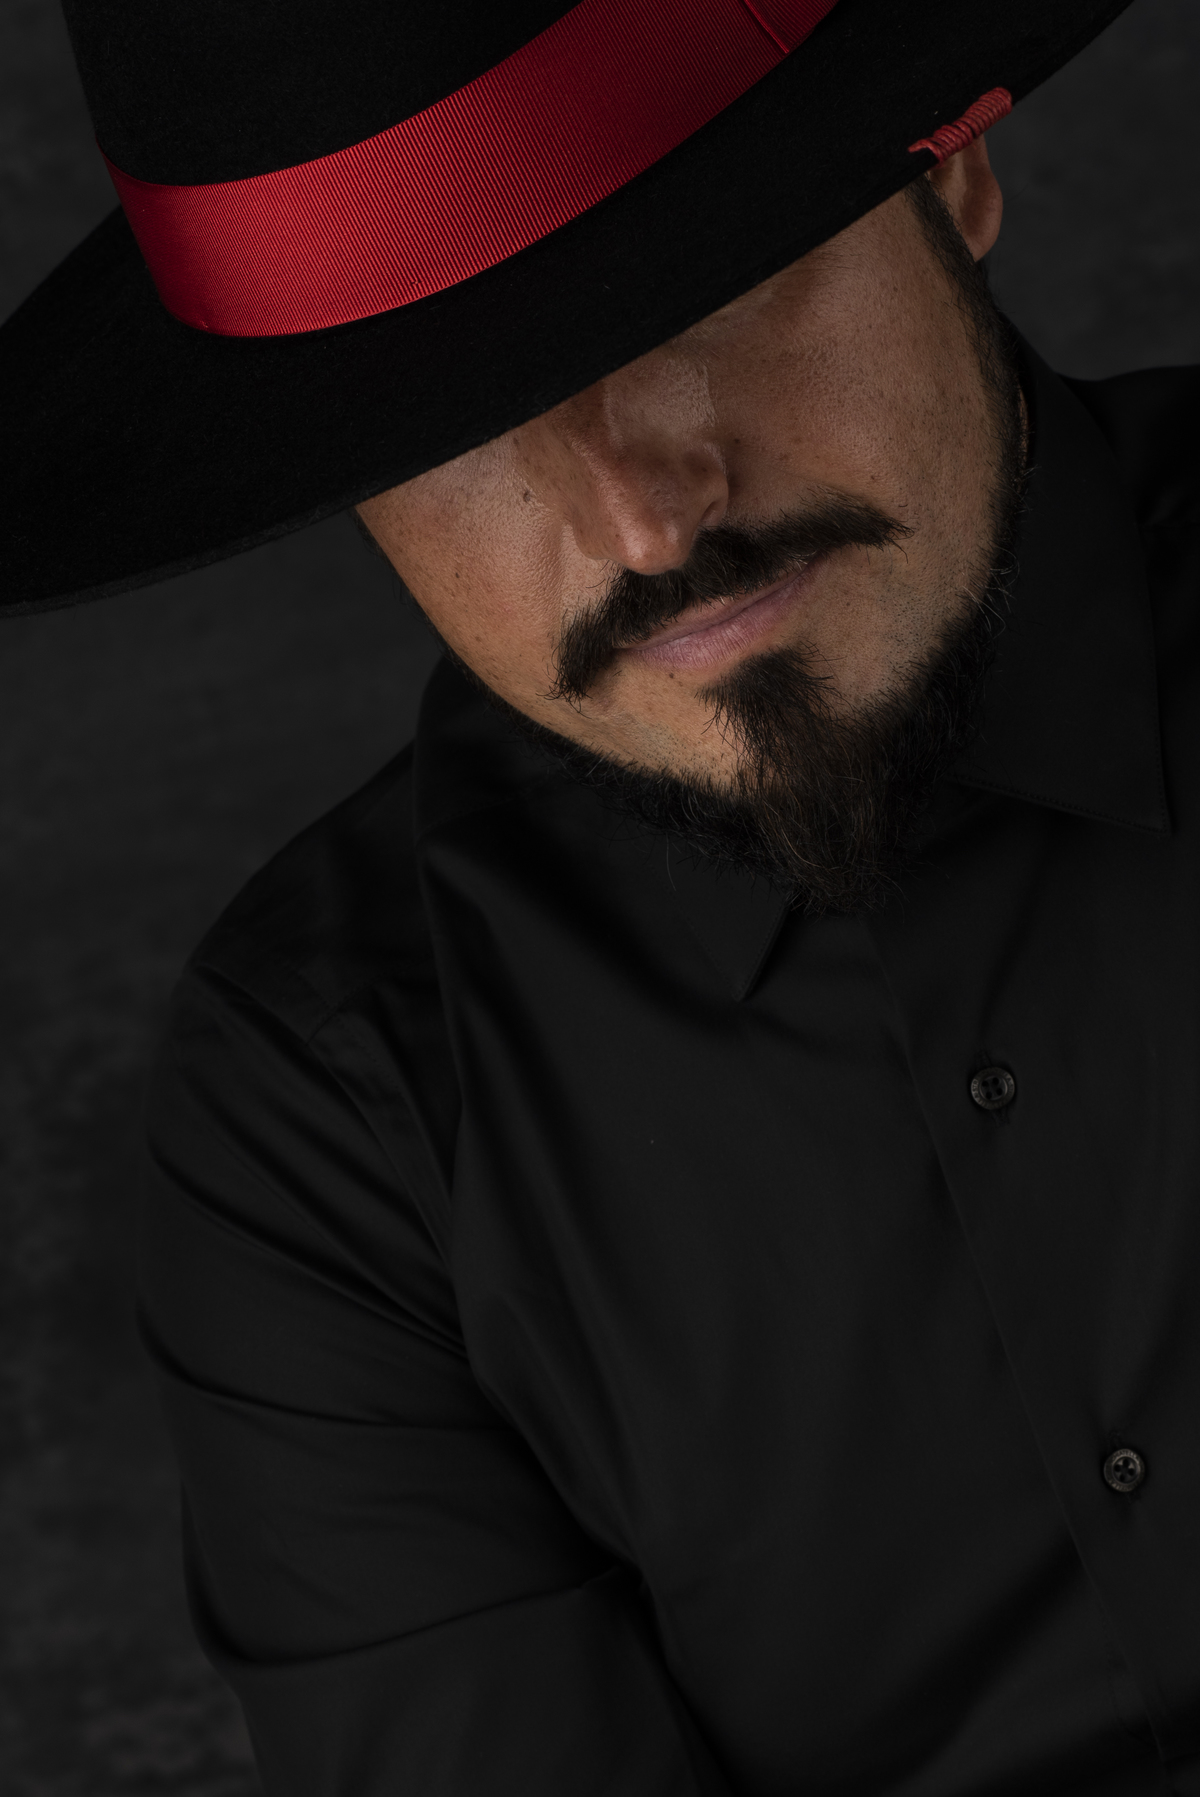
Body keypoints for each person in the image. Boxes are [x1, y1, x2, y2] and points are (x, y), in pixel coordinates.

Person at [3, 0, 1198, 1790]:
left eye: (697, 285)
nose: (646, 518)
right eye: (447, 419)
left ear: (950, 173)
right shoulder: (329, 1113)